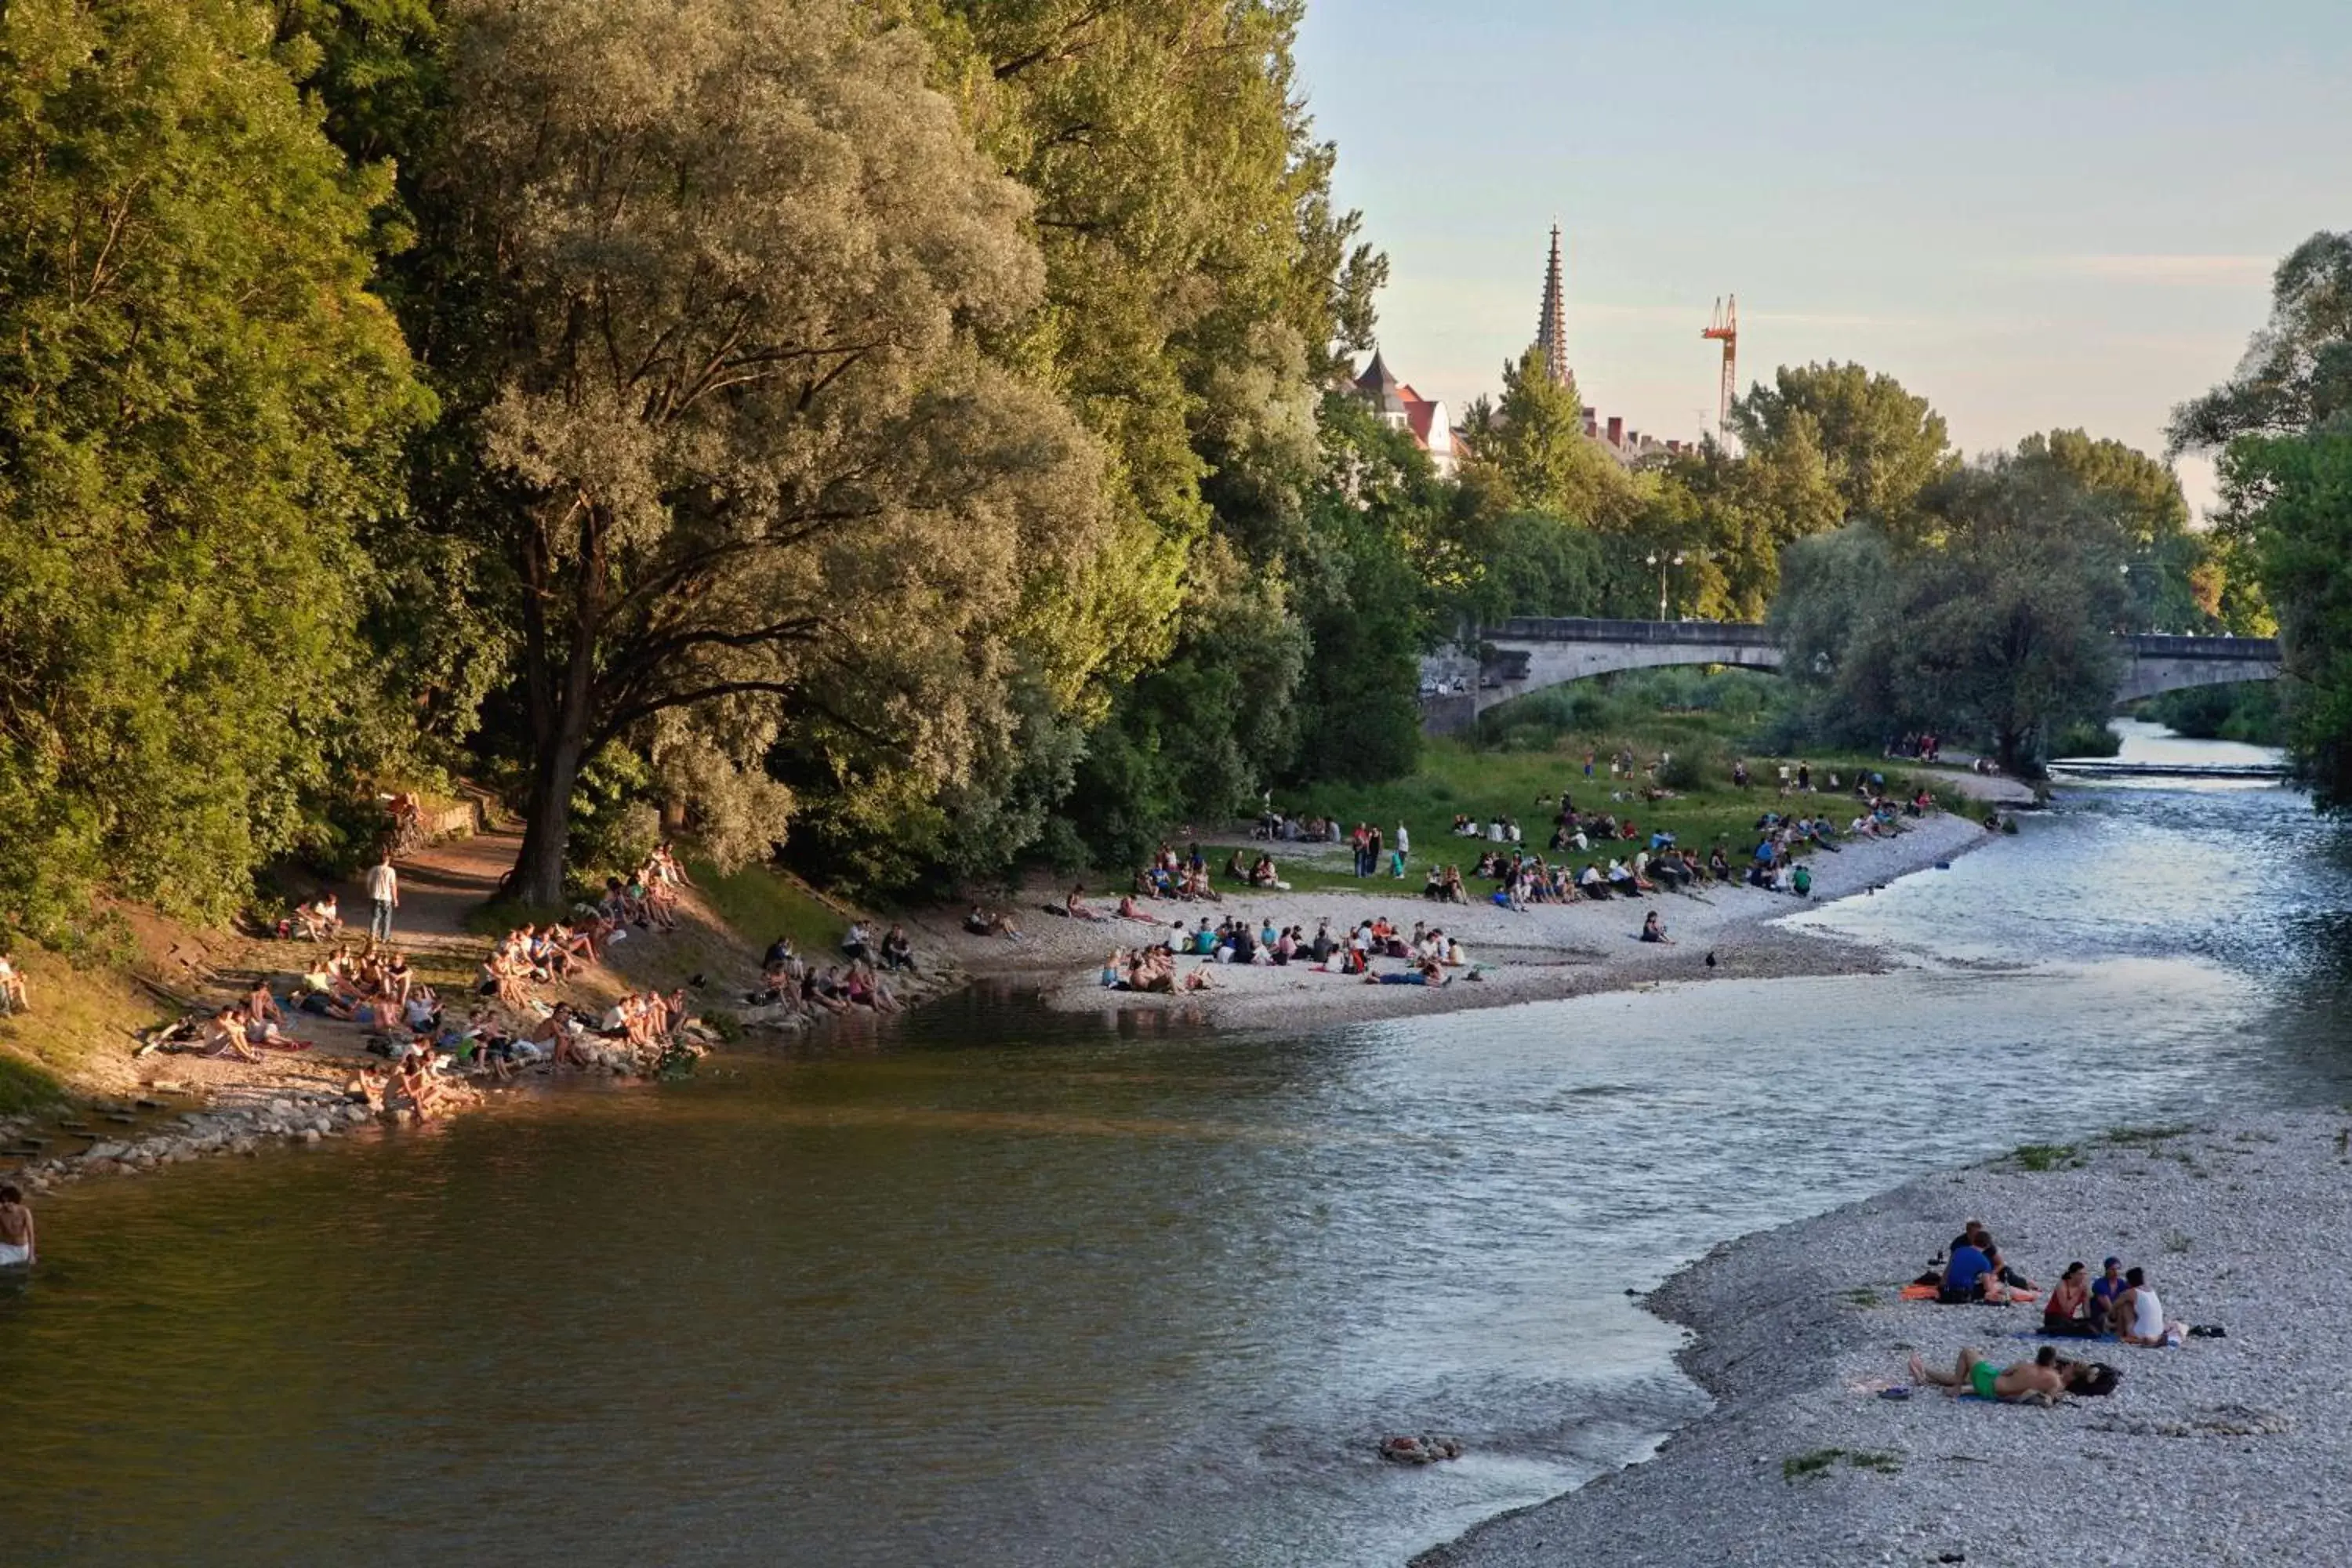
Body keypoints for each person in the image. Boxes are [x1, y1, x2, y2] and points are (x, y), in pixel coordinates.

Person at [1908, 1345, 2114, 1403]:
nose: (2067, 1365)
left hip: (1992, 1383)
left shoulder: (2034, 1369)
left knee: (1967, 1353)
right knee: (1972, 1374)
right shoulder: (2057, 1383)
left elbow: (2007, 1372)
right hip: (1996, 1388)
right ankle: (1926, 1376)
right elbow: (2047, 1399)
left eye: (2070, 1366)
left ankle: (1954, 1388)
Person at [2112, 1267, 2179, 1346]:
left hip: (2142, 1333)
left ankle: (2120, 1335)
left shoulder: (2130, 1293)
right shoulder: (2151, 1290)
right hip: (2159, 1331)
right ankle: (2152, 1339)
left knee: (2125, 1306)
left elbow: (2114, 1306)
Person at [2042, 1262, 2099, 1337]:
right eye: (2080, 1274)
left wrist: (2088, 1320)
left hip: (2068, 1319)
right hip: (2054, 1317)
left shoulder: (2082, 1286)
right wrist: (2079, 1291)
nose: (2083, 1277)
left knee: (2094, 1324)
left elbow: (2086, 1306)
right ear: (2072, 1275)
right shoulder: (2062, 1285)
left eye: (2084, 1274)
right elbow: (2066, 1309)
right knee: (2082, 1328)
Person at [365, 849, 399, 946]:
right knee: (386, 918)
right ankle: (384, 937)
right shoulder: (391, 871)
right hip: (386, 897)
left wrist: (370, 893)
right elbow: (393, 885)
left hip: (375, 896)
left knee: (375, 917)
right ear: (388, 861)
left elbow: (368, 883)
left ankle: (372, 935)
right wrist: (395, 898)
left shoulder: (374, 869)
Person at [0, 1182, 34, 1267]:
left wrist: (31, 1255)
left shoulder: (24, 1212)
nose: (6, 1204)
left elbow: (31, 1234)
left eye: (8, 1201)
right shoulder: (1, 1213)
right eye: (3, 1201)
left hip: (20, 1249)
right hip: (5, 1246)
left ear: (15, 1201)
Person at [0, 950, 27, 1014]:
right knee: (6, 987)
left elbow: (11, 975)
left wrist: (21, 977)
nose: (7, 960)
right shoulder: (2, 966)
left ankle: (24, 1004)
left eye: (8, 958)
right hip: (4, 984)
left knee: (20, 984)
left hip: (7, 983)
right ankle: (10, 1007)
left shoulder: (5, 965)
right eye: (7, 958)